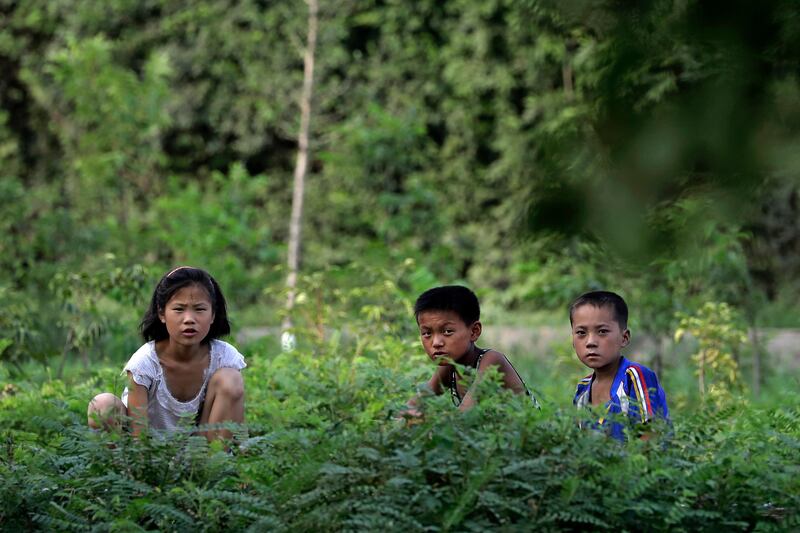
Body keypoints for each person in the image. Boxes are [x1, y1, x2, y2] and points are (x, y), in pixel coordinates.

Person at [87, 266, 246, 441]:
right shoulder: (145, 362)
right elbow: (138, 438)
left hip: (200, 453)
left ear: (213, 315)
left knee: (231, 378)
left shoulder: (225, 357)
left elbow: (236, 421)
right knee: (102, 405)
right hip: (152, 455)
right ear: (162, 313)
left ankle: (214, 466)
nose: (189, 319)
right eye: (179, 309)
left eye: (199, 309)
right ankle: (113, 467)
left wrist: (245, 455)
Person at [401, 285, 537, 419]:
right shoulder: (448, 369)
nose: (436, 342)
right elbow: (411, 406)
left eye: (448, 331)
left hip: (534, 437)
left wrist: (422, 419)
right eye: (427, 333)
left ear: (474, 331)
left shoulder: (491, 360)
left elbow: (464, 416)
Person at [570, 290, 669, 441]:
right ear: (573, 340)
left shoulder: (634, 376)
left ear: (624, 338)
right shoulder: (582, 389)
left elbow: (651, 433)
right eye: (581, 333)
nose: (590, 342)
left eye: (602, 331)